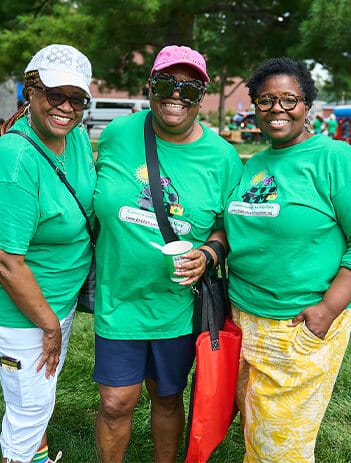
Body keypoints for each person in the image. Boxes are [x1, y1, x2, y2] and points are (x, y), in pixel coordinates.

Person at [224, 57, 351, 463]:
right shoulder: (258, 163)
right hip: (242, 318)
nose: (277, 110)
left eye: (289, 99)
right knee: (255, 424)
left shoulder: (336, 158)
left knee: (280, 449)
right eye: (266, 100)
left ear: (307, 105)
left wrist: (327, 310)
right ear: (253, 106)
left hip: (300, 320)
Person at [92, 44, 243, 463]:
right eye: (166, 83)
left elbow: (229, 226)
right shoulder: (119, 134)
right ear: (150, 86)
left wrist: (210, 254)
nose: (176, 95)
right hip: (118, 298)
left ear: (202, 96)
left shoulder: (223, 158)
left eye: (189, 89)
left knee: (168, 397)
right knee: (115, 403)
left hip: (176, 306)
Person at [0, 44, 96, 463]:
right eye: (55, 95)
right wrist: (50, 327)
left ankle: (31, 449)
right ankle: (20, 456)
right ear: (31, 92)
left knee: (38, 391)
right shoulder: (14, 160)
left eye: (76, 99)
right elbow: (3, 260)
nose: (66, 107)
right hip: (18, 306)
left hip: (55, 295)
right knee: (31, 404)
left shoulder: (73, 135)